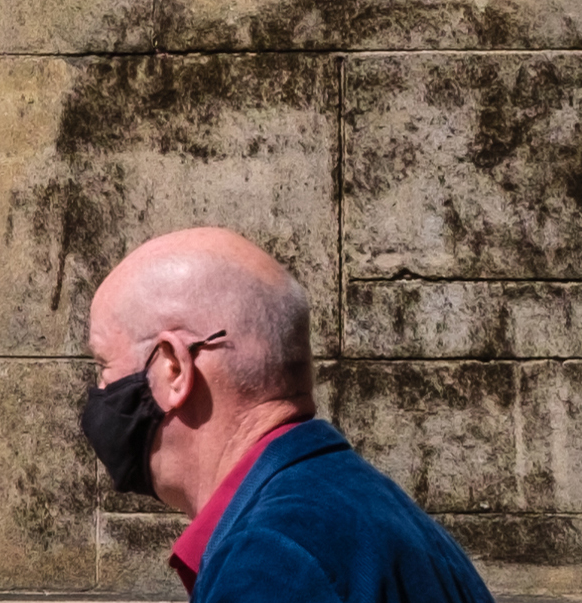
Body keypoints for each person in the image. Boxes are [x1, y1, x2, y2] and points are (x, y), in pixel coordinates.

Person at [81, 227, 494, 602]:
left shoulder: (271, 561)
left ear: (173, 370)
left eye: (103, 367)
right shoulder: (376, 509)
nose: (100, 393)